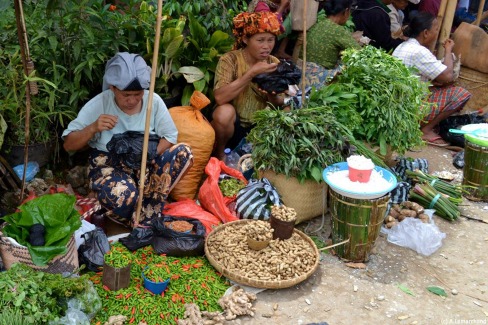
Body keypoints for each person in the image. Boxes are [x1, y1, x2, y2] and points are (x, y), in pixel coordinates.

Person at [62, 52, 193, 226]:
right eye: (126, 95)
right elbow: (68, 145)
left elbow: (169, 136)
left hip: (146, 162)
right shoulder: (99, 104)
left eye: (138, 94)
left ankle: (146, 209)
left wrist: (148, 156)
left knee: (183, 153)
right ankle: (137, 206)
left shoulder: (153, 101)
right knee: (124, 193)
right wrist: (93, 127)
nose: (132, 100)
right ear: (113, 88)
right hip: (109, 165)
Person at [211, 11, 286, 160]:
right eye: (260, 40)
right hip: (233, 126)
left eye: (271, 40)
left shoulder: (274, 64)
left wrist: (272, 95)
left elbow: (279, 103)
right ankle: (220, 155)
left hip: (259, 127)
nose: (266, 46)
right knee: (223, 112)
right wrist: (251, 73)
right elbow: (220, 98)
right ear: (245, 39)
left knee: (287, 112)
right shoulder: (229, 59)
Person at [392, 12, 472, 147]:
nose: (437, 32)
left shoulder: (403, 46)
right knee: (461, 94)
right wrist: (448, 51)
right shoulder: (418, 51)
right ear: (425, 33)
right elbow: (447, 76)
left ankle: (425, 126)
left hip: (400, 103)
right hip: (409, 107)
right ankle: (426, 129)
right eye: (435, 29)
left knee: (440, 88)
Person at [301, 0, 362, 89]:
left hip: (302, 73)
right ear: (346, 11)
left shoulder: (318, 24)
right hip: (317, 79)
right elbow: (360, 53)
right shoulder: (337, 30)